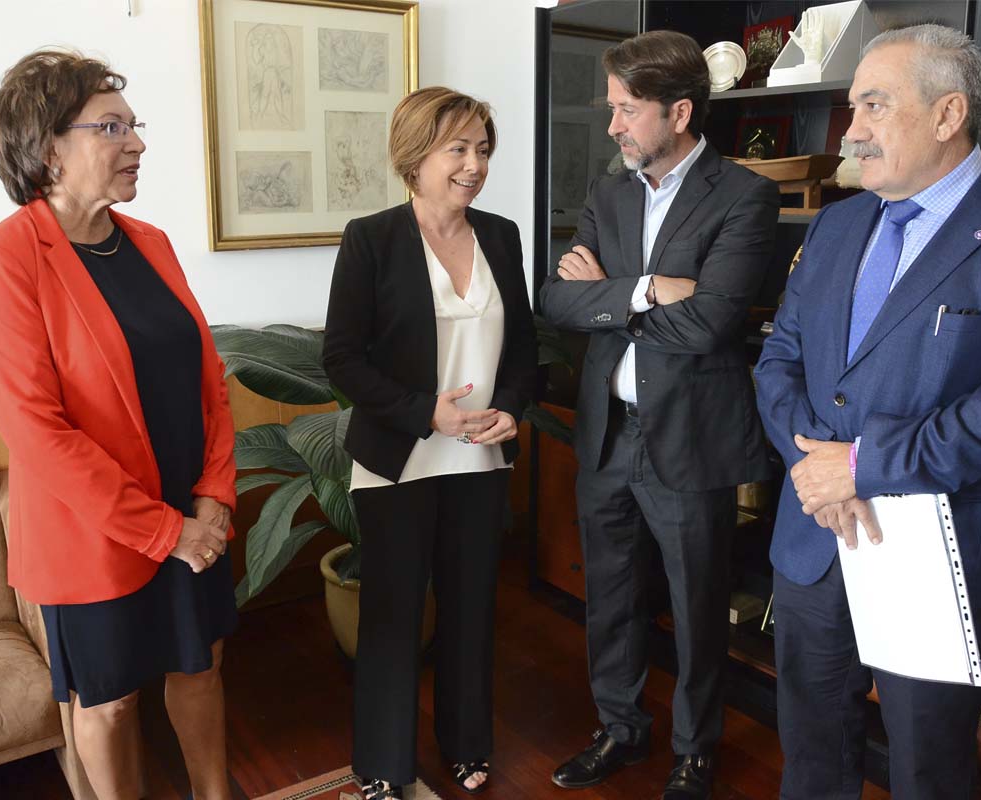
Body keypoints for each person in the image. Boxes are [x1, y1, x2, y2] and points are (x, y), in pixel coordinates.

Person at [753, 24, 981, 799]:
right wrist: (815, 467)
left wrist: (863, 467)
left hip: (934, 555)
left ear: (948, 115)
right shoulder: (838, 223)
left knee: (926, 767)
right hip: (812, 536)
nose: (853, 131)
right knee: (810, 752)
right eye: (851, 108)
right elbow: (779, 357)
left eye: (875, 105)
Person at [0, 50, 238, 800]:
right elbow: (36, 434)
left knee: (200, 669)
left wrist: (211, 499)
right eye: (111, 127)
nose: (137, 143)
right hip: (92, 532)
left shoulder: (151, 244)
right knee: (110, 703)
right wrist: (163, 530)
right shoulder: (3, 263)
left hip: (192, 513)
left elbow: (208, 380)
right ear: (48, 148)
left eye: (133, 124)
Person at [540, 30, 780, 800]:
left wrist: (609, 293)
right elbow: (557, 299)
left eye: (625, 111)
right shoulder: (608, 193)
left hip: (689, 441)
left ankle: (694, 750)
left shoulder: (744, 195)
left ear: (679, 111)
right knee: (609, 596)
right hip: (609, 433)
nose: (612, 126)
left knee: (697, 604)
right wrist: (647, 290)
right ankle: (619, 729)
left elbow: (710, 324)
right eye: (612, 109)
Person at [322, 86, 537, 800]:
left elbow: (525, 352)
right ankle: (383, 764)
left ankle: (467, 742)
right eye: (459, 149)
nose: (474, 164)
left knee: (473, 608)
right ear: (416, 156)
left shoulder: (501, 236)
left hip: (480, 460)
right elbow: (343, 359)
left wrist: (510, 407)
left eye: (482, 149)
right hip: (399, 460)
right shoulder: (372, 238)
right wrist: (425, 413)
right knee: (391, 617)